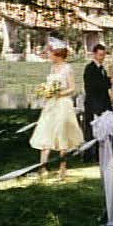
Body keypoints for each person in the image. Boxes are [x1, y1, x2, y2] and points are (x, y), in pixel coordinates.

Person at [30, 38, 83, 179]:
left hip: (63, 104)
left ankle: (62, 167)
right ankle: (43, 166)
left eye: (50, 52)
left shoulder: (67, 68)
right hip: (51, 104)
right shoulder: (52, 68)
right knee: (45, 131)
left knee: (62, 133)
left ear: (57, 53)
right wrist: (46, 91)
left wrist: (58, 93)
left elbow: (72, 88)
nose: (48, 55)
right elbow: (50, 85)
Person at [83, 44, 112, 162]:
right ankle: (90, 154)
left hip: (103, 102)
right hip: (93, 103)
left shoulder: (102, 69)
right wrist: (107, 82)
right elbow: (92, 87)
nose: (102, 57)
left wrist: (109, 81)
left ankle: (101, 152)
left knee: (103, 128)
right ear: (94, 54)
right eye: (100, 55)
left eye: (103, 55)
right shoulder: (90, 68)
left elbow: (105, 85)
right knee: (92, 130)